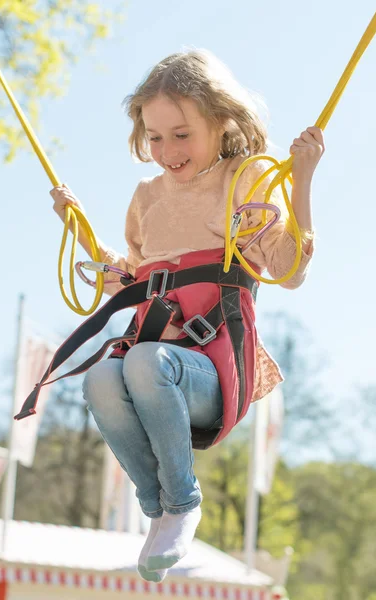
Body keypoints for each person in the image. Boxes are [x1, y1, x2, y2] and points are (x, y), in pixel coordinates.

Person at [50, 49, 324, 582]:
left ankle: (183, 501)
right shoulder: (147, 198)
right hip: (151, 362)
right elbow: (128, 277)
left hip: (213, 370)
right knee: (103, 377)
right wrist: (77, 227)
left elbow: (289, 270)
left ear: (221, 124)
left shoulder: (243, 179)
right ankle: (157, 509)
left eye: (181, 135)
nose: (166, 151)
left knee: (145, 362)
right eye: (154, 137)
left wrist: (304, 181)